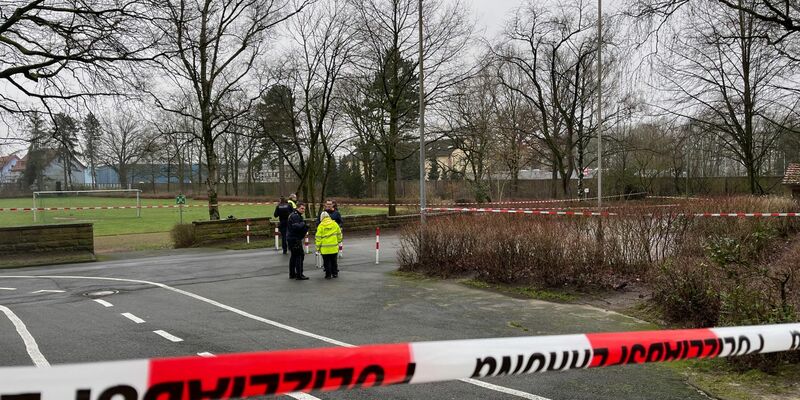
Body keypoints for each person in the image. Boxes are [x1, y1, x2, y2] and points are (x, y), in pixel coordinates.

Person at [315, 211, 342, 279]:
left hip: (324, 248)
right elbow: (339, 234)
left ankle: (328, 275)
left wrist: (318, 248)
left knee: (326, 262)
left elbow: (318, 238)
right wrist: (339, 241)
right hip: (334, 247)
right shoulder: (335, 224)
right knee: (334, 261)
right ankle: (335, 273)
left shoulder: (320, 226)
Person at [287, 202, 309, 280]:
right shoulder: (295, 216)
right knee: (299, 256)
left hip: (292, 238)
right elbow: (296, 227)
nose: (303, 210)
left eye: (304, 209)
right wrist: (303, 224)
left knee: (294, 256)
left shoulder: (294, 215)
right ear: (297, 208)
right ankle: (299, 275)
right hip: (294, 239)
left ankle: (292, 274)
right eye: (302, 208)